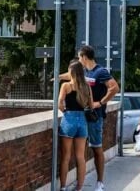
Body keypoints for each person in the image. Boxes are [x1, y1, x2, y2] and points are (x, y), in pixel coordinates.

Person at [76, 45, 118, 191]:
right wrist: (58, 77)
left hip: (95, 117)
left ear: (84, 57)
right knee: (80, 150)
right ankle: (80, 184)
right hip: (82, 115)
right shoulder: (84, 71)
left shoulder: (100, 72)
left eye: (79, 57)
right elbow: (71, 75)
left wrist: (100, 103)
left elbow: (114, 88)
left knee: (96, 148)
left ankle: (100, 183)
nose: (78, 60)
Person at [57, 61, 92, 191]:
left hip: (69, 119)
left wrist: (65, 111)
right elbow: (91, 105)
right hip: (82, 121)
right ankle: (79, 187)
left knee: (66, 156)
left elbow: (60, 103)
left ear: (71, 72)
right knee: (80, 156)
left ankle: (63, 187)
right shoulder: (86, 87)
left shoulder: (66, 85)